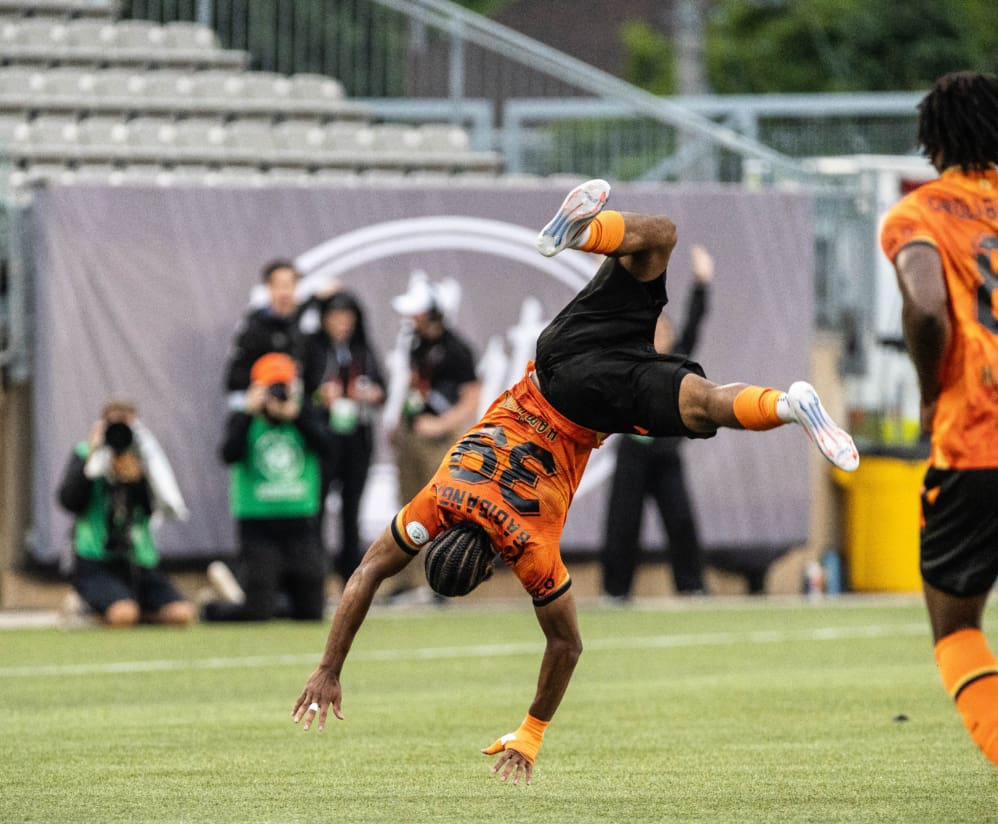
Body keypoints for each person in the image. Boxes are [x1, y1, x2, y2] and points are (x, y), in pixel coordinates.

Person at [292, 179, 859, 785]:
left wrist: (530, 732)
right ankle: (584, 233)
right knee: (658, 239)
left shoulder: (530, 551)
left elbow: (566, 646)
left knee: (703, 406)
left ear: (487, 570)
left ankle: (787, 406)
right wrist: (326, 665)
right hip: (557, 359)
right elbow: (366, 574)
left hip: (589, 408)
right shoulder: (435, 502)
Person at [878, 70, 998, 768]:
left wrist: (929, 393)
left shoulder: (918, 214)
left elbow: (926, 307)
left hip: (977, 440)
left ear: (932, 143)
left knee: (956, 626)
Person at [602, 243, 714, 598]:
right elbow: (610, 313)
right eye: (654, 330)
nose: (660, 335)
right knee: (622, 523)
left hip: (666, 454)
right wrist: (608, 271)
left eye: (665, 330)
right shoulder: (629, 358)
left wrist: (701, 283)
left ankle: (692, 585)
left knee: (681, 520)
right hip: (633, 451)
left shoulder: (675, 363)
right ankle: (616, 591)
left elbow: (694, 325)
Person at [202, 353, 332, 622]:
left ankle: (269, 598)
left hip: (300, 521)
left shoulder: (305, 414)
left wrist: (297, 415)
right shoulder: (244, 418)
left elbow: (327, 448)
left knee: (311, 612)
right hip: (258, 523)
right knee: (257, 612)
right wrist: (250, 412)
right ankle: (212, 608)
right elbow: (228, 454)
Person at [57, 399, 195, 627]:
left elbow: (156, 510)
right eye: (114, 425)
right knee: (123, 615)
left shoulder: (146, 456)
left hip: (138, 560)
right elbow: (69, 501)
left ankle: (130, 612)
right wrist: (91, 461)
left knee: (182, 614)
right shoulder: (86, 453)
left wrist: (138, 481)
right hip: (96, 559)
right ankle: (85, 606)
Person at [385, 275, 481, 601]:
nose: (413, 318)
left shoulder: (457, 349)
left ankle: (439, 582)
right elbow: (414, 386)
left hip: (440, 438)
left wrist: (442, 425)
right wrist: (399, 422)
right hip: (413, 434)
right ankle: (410, 580)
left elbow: (470, 398)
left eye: (419, 312)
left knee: (441, 508)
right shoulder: (415, 344)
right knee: (409, 507)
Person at [303, 290, 387, 581]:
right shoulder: (312, 347)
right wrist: (320, 395)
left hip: (357, 438)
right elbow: (301, 390)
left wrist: (371, 393)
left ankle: (350, 579)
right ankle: (315, 577)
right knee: (315, 510)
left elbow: (381, 388)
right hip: (322, 438)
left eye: (347, 316)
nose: (342, 323)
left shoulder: (362, 349)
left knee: (352, 511)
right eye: (335, 316)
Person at [223, 259, 305, 403]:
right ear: (269, 287)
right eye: (280, 285)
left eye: (290, 285)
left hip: (298, 402)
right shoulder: (254, 326)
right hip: (260, 400)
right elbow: (235, 378)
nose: (285, 292)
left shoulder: (307, 321)